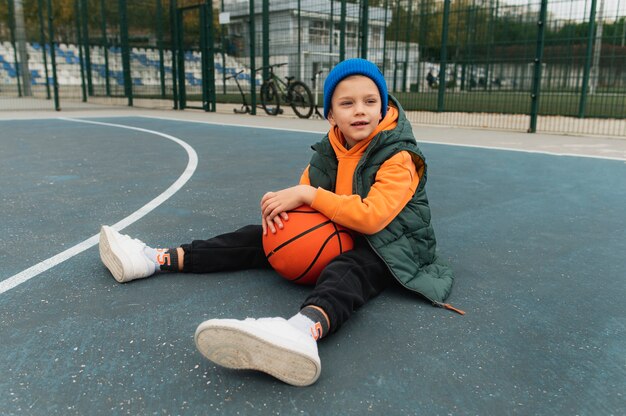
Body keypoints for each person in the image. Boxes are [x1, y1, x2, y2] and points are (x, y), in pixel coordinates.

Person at [98, 58, 457, 387]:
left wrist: (307, 197)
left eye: (369, 101)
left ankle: (302, 332)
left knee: (353, 268)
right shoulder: (330, 150)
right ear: (331, 114)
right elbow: (304, 199)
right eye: (347, 103)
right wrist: (282, 217)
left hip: (394, 245)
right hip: (345, 228)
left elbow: (372, 216)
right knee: (259, 237)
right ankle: (155, 258)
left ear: (382, 108)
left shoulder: (399, 156)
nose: (360, 111)